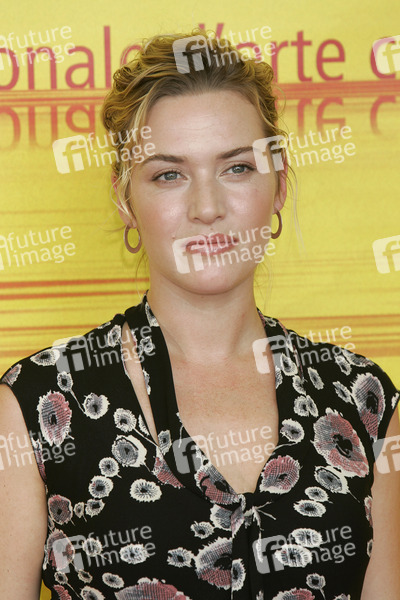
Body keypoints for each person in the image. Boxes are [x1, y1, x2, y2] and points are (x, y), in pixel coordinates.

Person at [1, 29, 399, 600]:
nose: (207, 208)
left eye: (237, 168)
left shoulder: (363, 399)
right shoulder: (35, 406)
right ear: (125, 199)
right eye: (169, 174)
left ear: (278, 184)